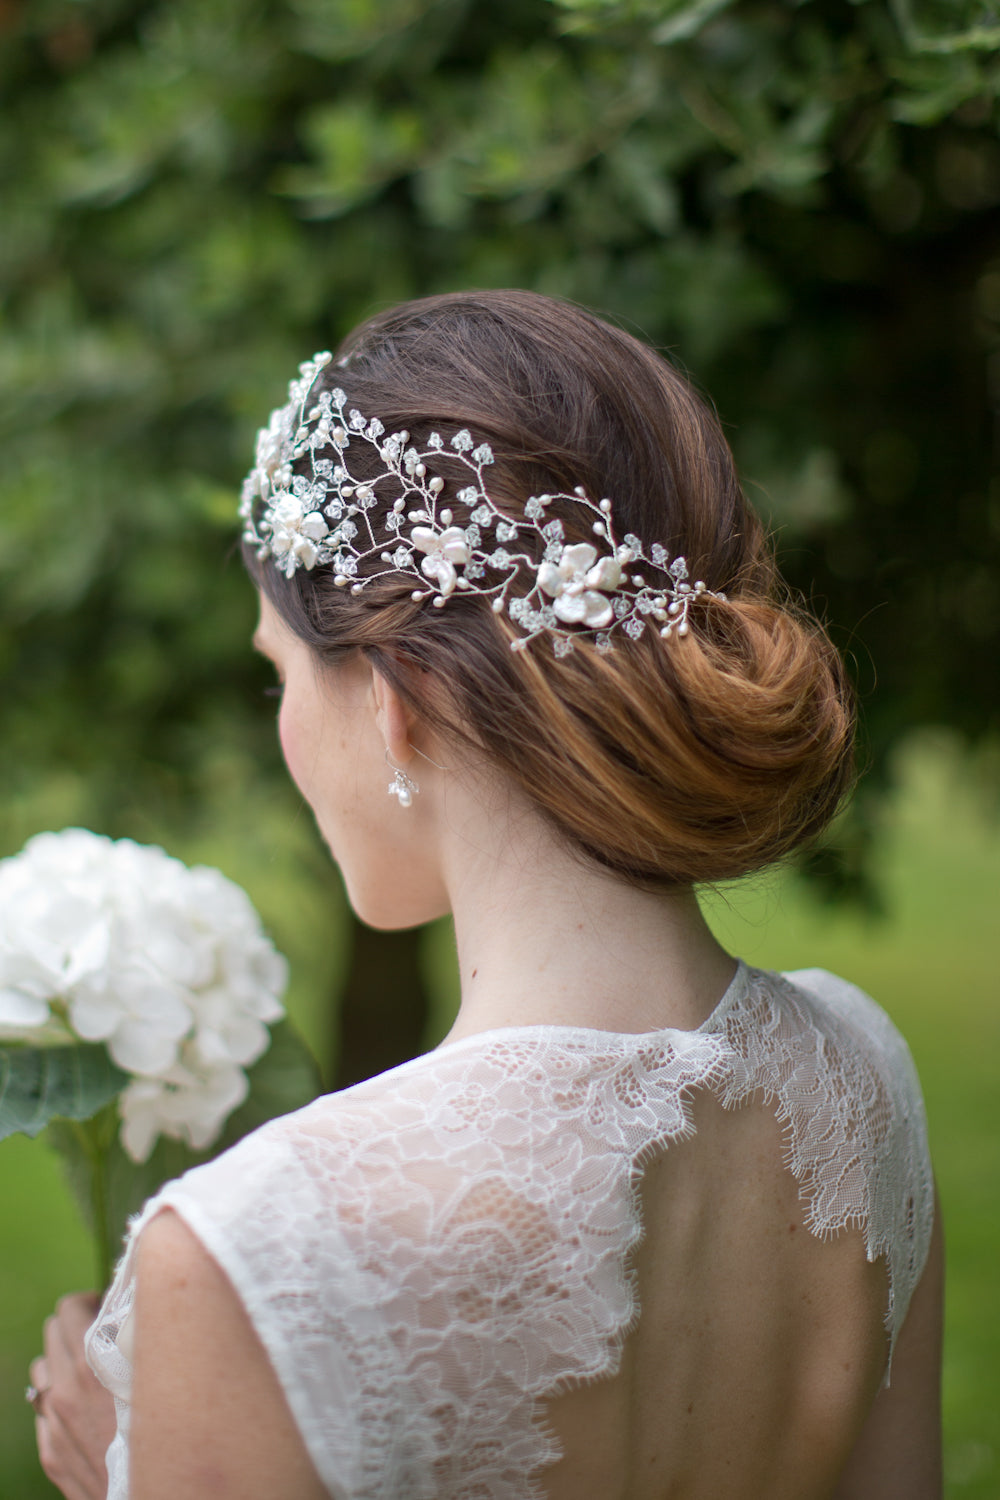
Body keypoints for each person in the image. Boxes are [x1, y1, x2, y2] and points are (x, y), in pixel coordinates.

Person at [30, 289, 942, 1500]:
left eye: (279, 678)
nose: (284, 732)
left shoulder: (261, 1252)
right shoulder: (858, 1083)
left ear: (396, 697)